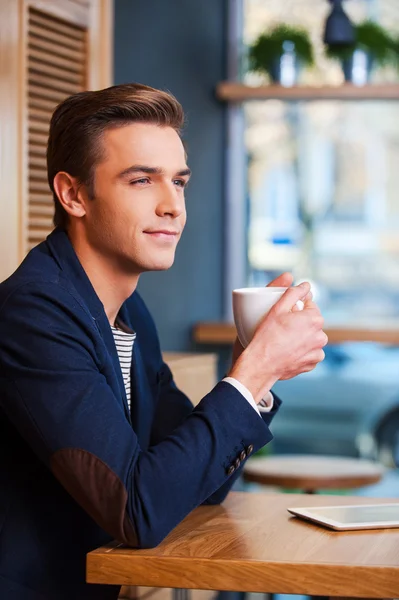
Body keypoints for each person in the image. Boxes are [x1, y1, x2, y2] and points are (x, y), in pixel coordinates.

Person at [0, 83, 327, 600]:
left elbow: (198, 485)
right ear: (73, 194)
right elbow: (137, 509)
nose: (172, 205)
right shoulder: (33, 314)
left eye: (179, 182)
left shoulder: (130, 315)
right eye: (140, 180)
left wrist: (252, 374)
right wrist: (254, 373)